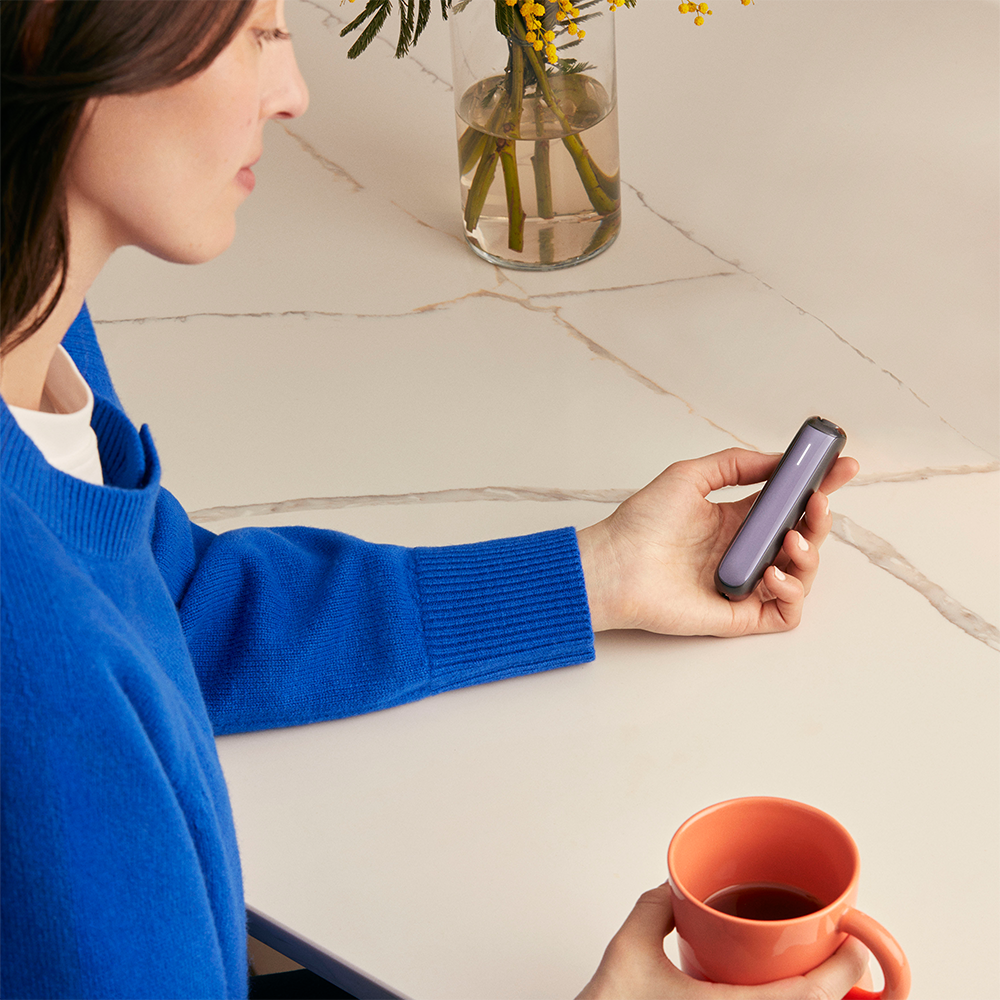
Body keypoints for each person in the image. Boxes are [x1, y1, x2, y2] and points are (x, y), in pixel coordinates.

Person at [0, 1, 863, 998]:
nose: (294, 93)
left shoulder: (34, 319)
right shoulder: (37, 662)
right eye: (256, 31)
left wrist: (597, 575)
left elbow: (169, 603)